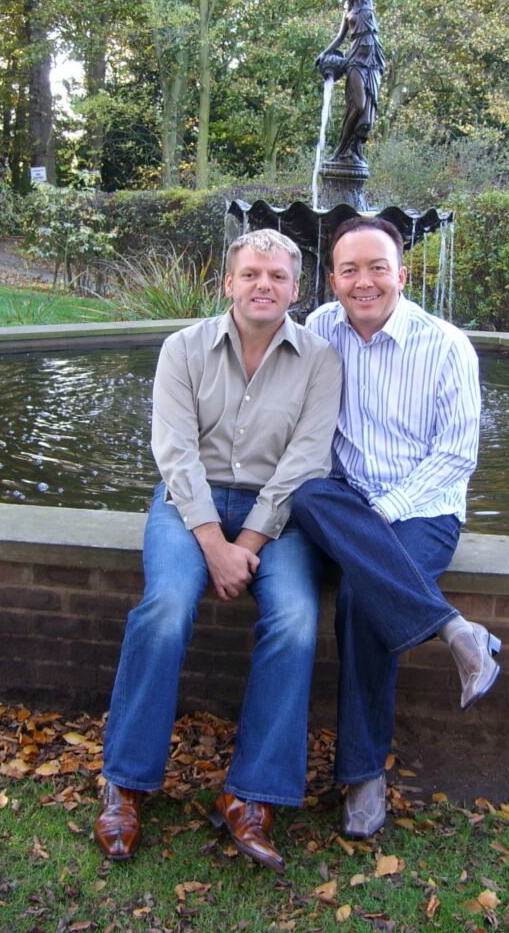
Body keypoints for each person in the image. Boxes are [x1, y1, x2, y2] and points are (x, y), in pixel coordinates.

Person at [94, 229, 342, 873]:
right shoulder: (182, 349)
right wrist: (212, 542)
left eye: (278, 276)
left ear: (296, 289)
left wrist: (248, 541)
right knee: (165, 607)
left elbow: (306, 460)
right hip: (187, 506)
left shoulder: (320, 360)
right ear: (229, 283)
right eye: (251, 274)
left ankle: (250, 795)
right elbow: (174, 452)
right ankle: (124, 782)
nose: (264, 285)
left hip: (278, 513)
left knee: (296, 619)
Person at [291, 216, 501, 839]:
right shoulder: (319, 329)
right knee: (305, 492)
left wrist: (387, 509)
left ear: (402, 275)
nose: (364, 282)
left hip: (424, 509)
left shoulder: (446, 346)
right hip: (345, 501)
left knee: (362, 597)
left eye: (377, 268)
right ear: (332, 280)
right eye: (349, 270)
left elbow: (456, 455)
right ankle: (456, 630)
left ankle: (364, 777)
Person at [316, 0, 385, 168]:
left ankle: (354, 150)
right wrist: (323, 54)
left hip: (373, 61)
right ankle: (340, 149)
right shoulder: (348, 13)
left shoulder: (369, 3)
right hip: (355, 59)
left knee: (367, 115)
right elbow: (340, 38)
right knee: (358, 104)